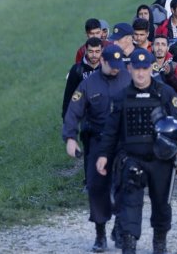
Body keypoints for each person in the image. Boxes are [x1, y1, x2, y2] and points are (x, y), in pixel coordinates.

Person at [95, 49, 177, 254]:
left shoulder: (164, 92)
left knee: (161, 204)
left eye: (144, 68)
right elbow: (111, 131)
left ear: (151, 68)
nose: (140, 73)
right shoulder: (121, 97)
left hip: (161, 159)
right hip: (132, 159)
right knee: (129, 204)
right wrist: (104, 155)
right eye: (137, 69)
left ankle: (159, 241)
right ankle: (129, 245)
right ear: (129, 69)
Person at [63, 44, 131, 252]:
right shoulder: (88, 84)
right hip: (98, 142)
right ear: (102, 61)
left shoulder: (128, 79)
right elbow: (73, 111)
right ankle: (100, 234)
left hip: (122, 142)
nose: (116, 68)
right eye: (112, 65)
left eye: (119, 64)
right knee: (97, 187)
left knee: (126, 185)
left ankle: (120, 226)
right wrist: (70, 138)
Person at [63, 36, 102, 120]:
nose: (94, 55)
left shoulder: (106, 68)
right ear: (86, 51)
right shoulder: (77, 69)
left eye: (97, 51)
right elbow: (69, 94)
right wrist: (66, 117)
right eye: (91, 51)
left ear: (102, 51)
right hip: (84, 116)